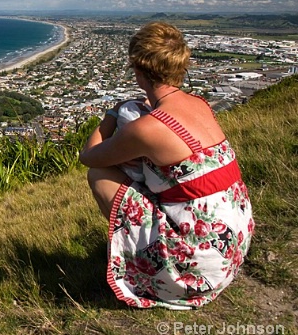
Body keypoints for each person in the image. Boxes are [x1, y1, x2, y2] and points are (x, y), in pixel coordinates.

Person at [79, 22, 253, 309]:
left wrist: (112, 113)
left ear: (139, 67)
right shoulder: (199, 103)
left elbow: (90, 156)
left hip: (198, 267)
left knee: (99, 174)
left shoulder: (149, 127)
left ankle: (136, 265)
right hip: (233, 244)